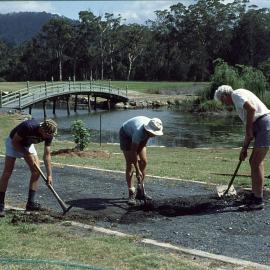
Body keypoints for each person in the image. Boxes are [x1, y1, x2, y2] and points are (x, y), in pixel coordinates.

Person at [214, 85, 270, 210]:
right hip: (260, 125)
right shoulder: (238, 96)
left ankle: (258, 201)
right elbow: (249, 132)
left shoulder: (236, 95)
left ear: (225, 96)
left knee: (256, 162)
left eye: (223, 101)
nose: (224, 104)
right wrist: (244, 148)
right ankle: (255, 195)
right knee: (253, 162)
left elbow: (251, 109)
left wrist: (249, 130)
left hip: (264, 124)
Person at [0, 118, 58, 217]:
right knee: (7, 172)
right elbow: (15, 142)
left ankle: (30, 204)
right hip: (13, 142)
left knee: (36, 172)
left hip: (28, 144)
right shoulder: (28, 126)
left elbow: (47, 155)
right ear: (42, 130)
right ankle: (0, 204)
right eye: (47, 135)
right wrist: (27, 154)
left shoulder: (49, 133)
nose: (49, 137)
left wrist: (49, 175)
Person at [119, 116, 163, 205]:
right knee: (130, 164)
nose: (154, 136)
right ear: (148, 130)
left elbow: (141, 145)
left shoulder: (150, 129)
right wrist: (137, 170)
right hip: (125, 135)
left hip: (137, 135)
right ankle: (131, 192)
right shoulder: (139, 132)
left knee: (143, 161)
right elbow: (133, 151)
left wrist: (139, 163)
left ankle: (141, 191)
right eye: (153, 133)